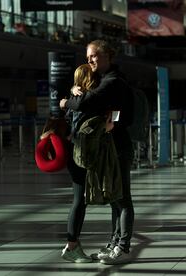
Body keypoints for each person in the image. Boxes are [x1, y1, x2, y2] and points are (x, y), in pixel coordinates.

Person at [60, 39, 134, 265]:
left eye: (93, 55)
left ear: (107, 56)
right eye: (88, 56)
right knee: (114, 196)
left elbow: (91, 102)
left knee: (122, 198)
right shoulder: (104, 80)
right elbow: (100, 105)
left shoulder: (113, 81)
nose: (89, 60)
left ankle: (121, 246)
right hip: (107, 148)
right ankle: (113, 243)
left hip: (118, 147)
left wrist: (66, 102)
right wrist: (76, 93)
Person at [59, 64, 99, 263]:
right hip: (81, 153)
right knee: (79, 200)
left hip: (74, 152)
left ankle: (72, 244)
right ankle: (71, 245)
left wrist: (67, 98)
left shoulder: (76, 96)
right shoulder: (86, 98)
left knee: (79, 199)